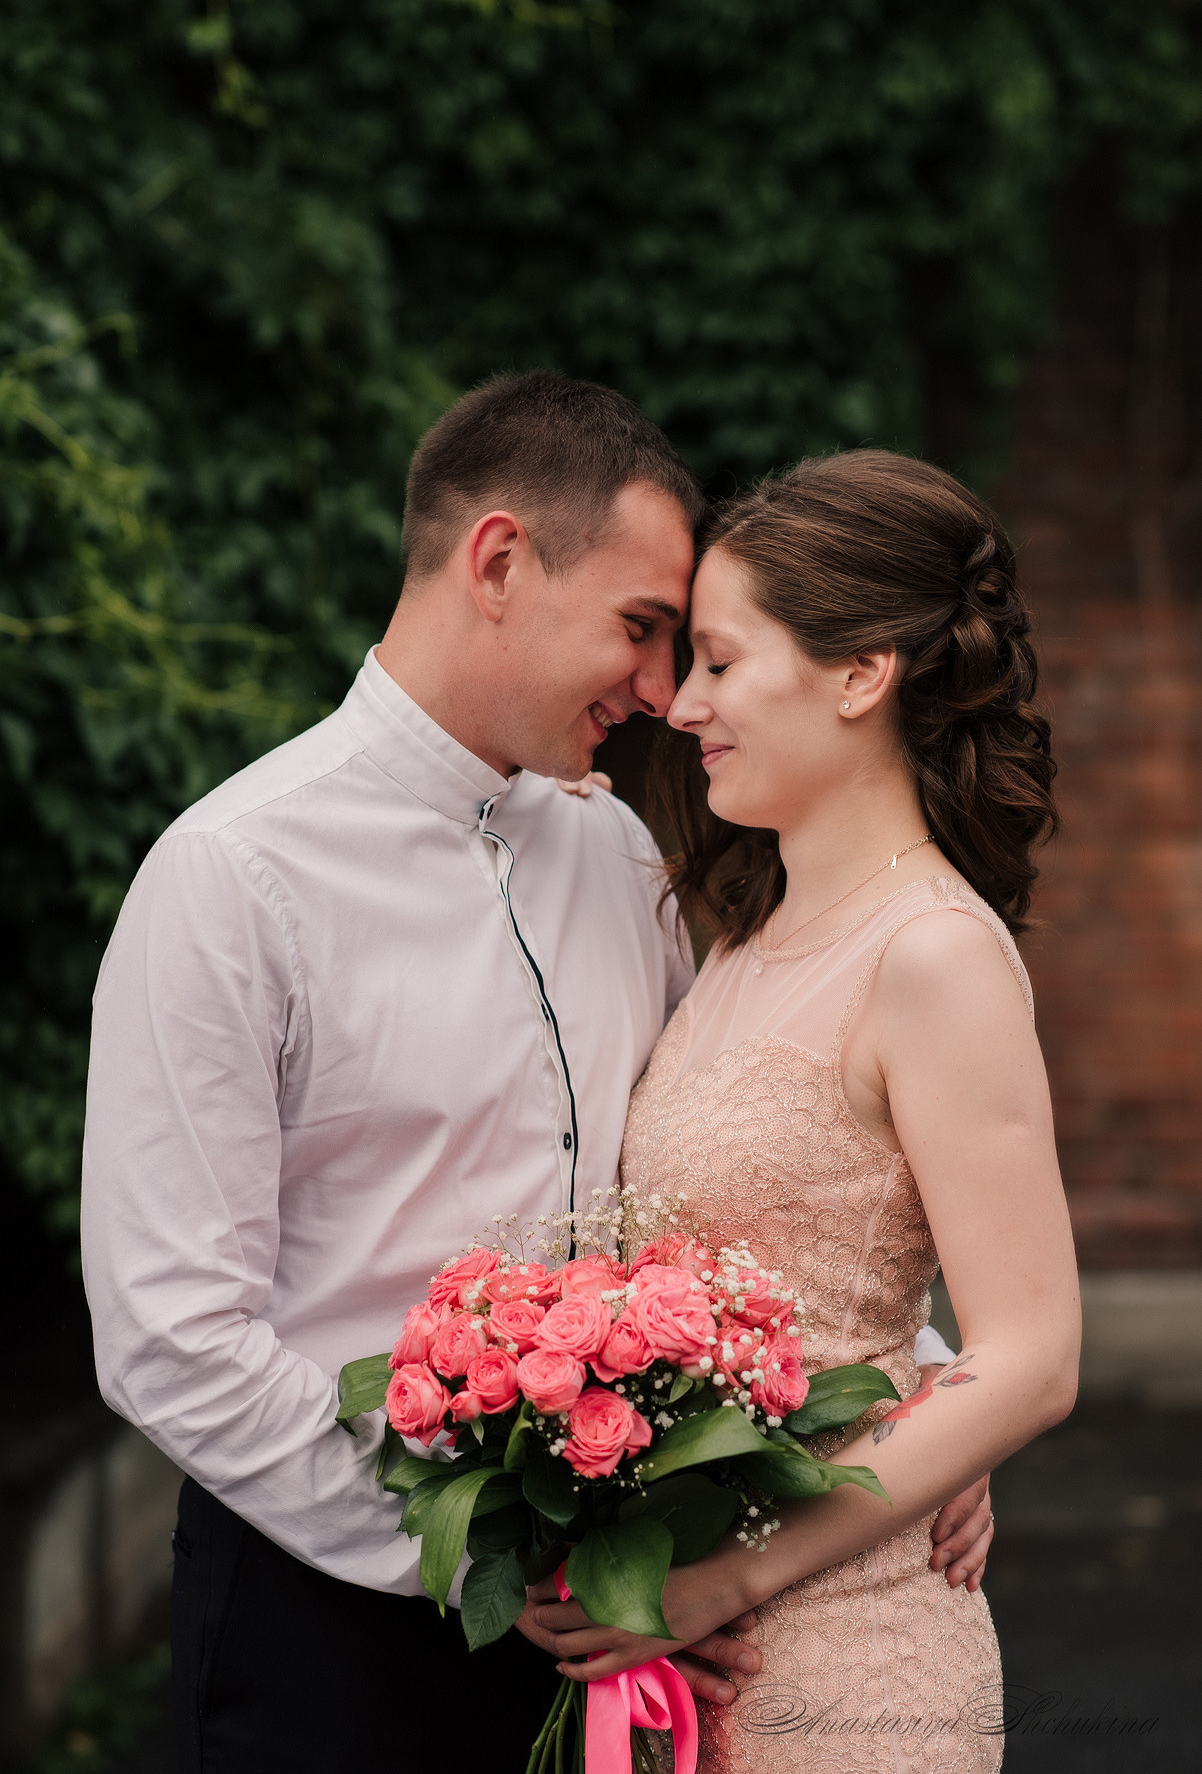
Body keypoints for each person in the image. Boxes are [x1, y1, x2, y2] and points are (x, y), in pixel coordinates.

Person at [80, 380, 994, 1774]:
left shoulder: (616, 852)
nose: (656, 693)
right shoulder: (231, 878)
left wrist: (922, 1397)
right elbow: (170, 1336)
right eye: (638, 630)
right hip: (330, 1630)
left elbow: (738, 1166)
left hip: (631, 1624)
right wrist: (487, 1559)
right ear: (498, 563)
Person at [526, 451, 1081, 1772]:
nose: (681, 703)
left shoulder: (931, 953)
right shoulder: (745, 935)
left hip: (848, 1666)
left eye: (720, 661)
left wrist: (718, 1585)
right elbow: (833, 1257)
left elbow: (1035, 1355)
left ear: (857, 673)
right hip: (687, 1663)